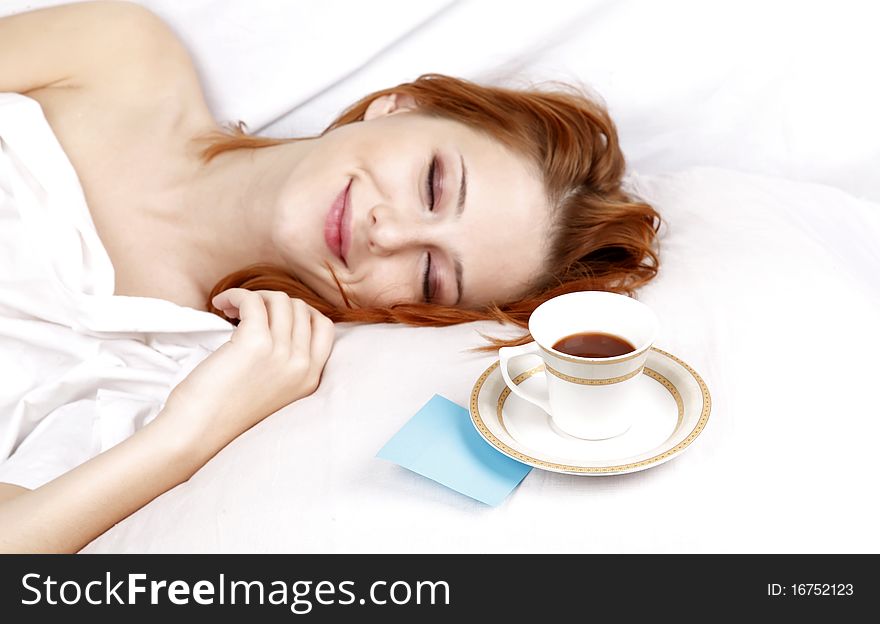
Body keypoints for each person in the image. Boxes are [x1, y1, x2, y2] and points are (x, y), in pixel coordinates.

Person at [0, 1, 660, 552]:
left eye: (430, 273)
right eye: (432, 183)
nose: (390, 233)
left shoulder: (174, 378)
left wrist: (184, 437)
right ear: (402, 105)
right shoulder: (121, 57)